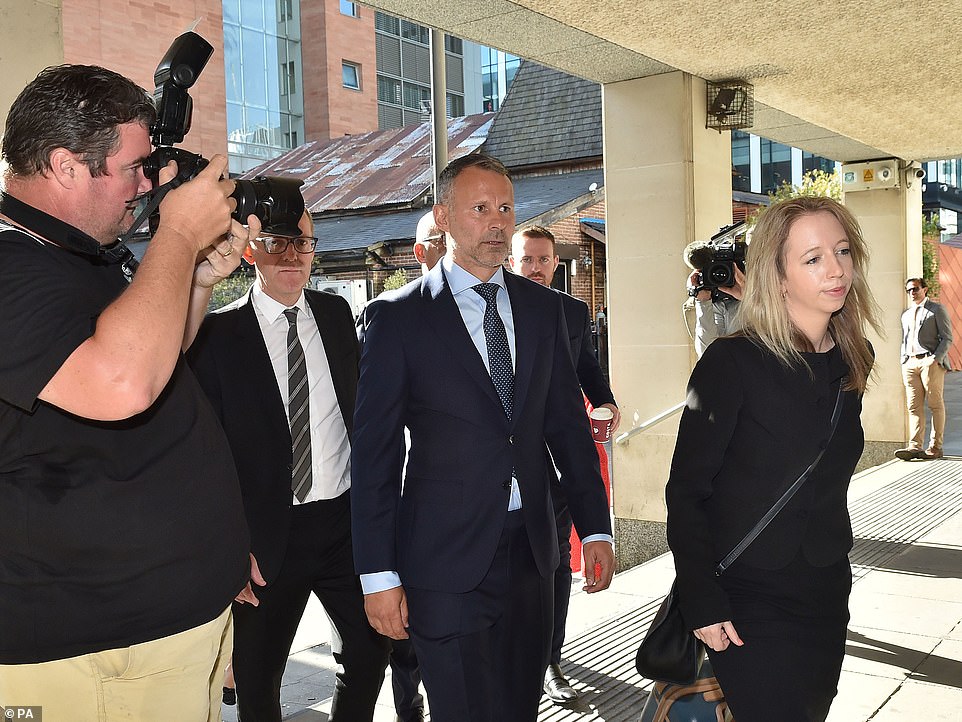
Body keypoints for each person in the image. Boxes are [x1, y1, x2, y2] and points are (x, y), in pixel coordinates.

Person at [0, 64, 255, 721]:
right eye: (136, 168)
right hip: (91, 653)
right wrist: (176, 232)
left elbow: (151, 357)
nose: (149, 185)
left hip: (159, 631)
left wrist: (195, 280)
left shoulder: (78, 253)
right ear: (64, 165)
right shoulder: (10, 267)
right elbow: (121, 384)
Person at [351, 153, 615, 722]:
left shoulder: (546, 312)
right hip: (442, 563)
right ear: (443, 216)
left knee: (519, 708)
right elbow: (374, 458)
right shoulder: (397, 320)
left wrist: (596, 527)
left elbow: (568, 429)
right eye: (480, 209)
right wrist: (378, 575)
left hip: (531, 554)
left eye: (506, 209)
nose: (497, 223)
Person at [666, 196, 883, 722]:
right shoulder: (731, 362)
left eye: (842, 251)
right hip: (746, 594)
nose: (836, 269)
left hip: (825, 585)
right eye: (813, 258)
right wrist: (701, 596)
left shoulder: (854, 358)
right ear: (777, 275)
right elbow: (687, 489)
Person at [187, 209, 390, 721]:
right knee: (258, 682)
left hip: (345, 527)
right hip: (266, 540)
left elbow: (362, 415)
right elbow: (204, 458)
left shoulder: (338, 314)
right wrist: (231, 545)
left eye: (303, 243)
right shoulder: (217, 335)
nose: (292, 255)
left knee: (369, 655)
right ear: (250, 249)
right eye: (277, 242)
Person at [507, 225, 619, 704]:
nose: (536, 267)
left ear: (556, 264)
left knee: (554, 564)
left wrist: (606, 402)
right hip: (510, 463)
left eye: (544, 260)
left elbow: (588, 367)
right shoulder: (495, 309)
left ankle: (551, 660)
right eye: (527, 259)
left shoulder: (571, 313)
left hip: (561, 461)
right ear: (513, 261)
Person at [383, 209, 446, 722]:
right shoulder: (392, 316)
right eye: (437, 240)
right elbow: (378, 437)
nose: (448, 246)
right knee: (406, 641)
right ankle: (408, 706)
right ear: (420, 251)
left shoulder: (504, 311)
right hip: (414, 514)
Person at [895, 277, 953, 460]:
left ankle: (935, 447)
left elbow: (947, 337)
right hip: (910, 363)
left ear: (924, 289)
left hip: (930, 362)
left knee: (935, 404)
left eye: (915, 289)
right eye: (909, 290)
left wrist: (935, 359)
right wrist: (904, 359)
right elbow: (905, 340)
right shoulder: (906, 314)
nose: (912, 293)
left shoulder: (936, 310)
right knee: (913, 406)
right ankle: (915, 446)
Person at [684, 243, 746, 357]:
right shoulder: (707, 305)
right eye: (711, 271)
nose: (719, 275)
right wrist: (703, 301)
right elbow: (708, 353)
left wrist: (749, 294)